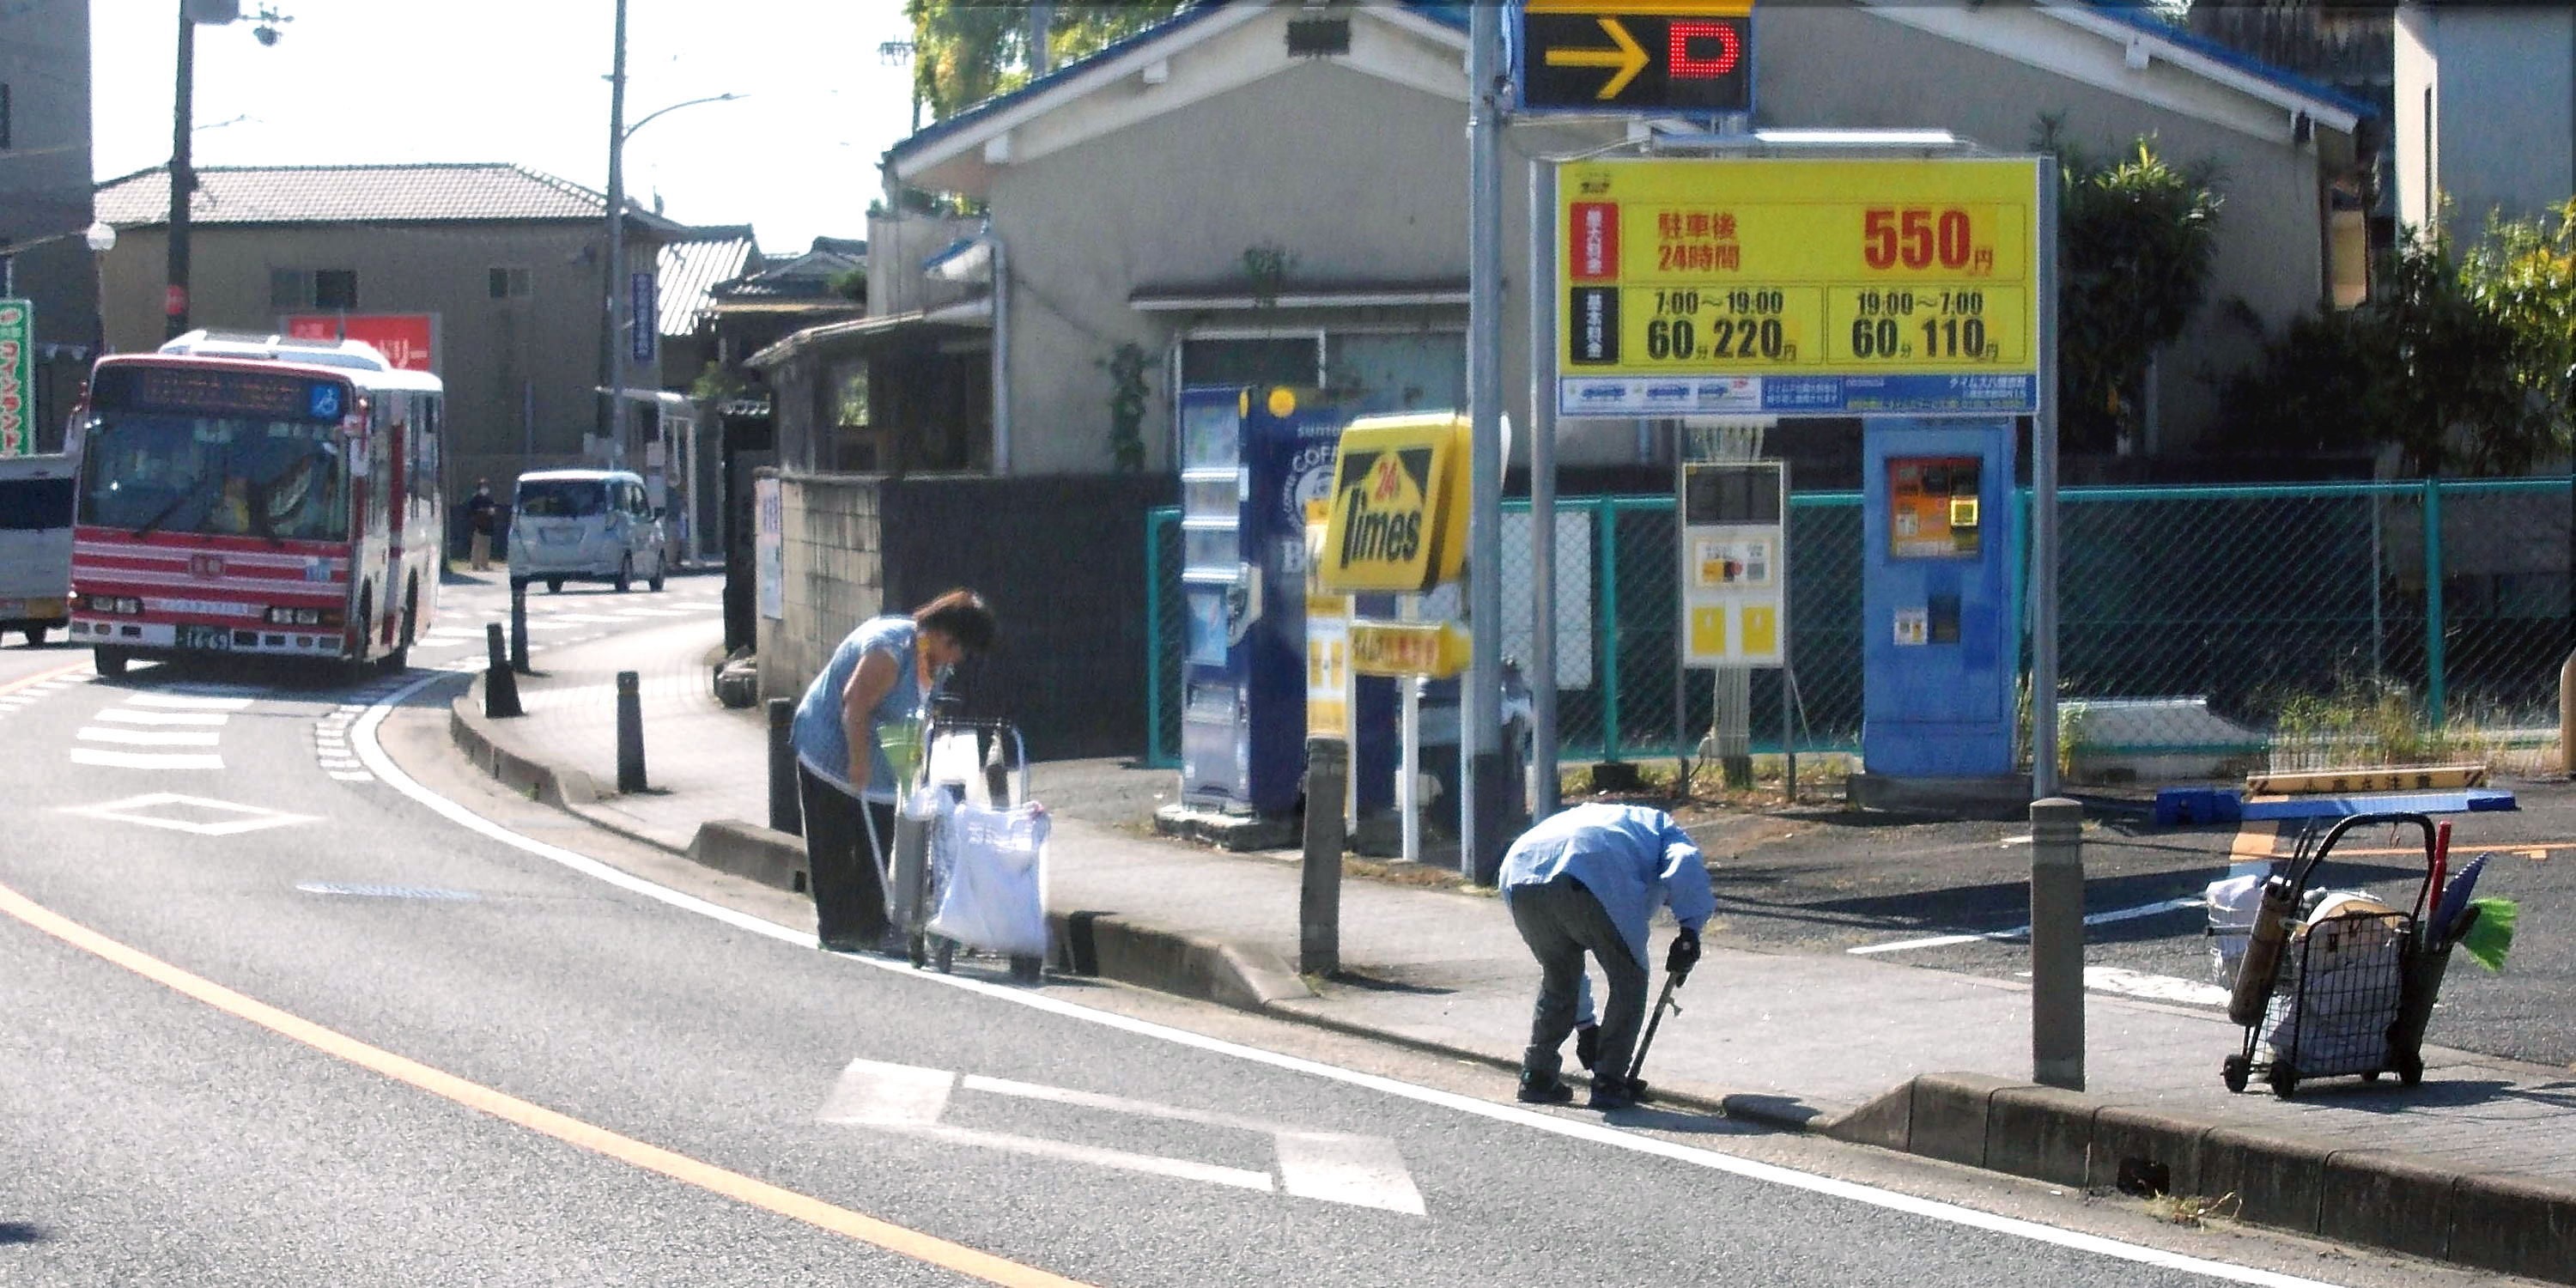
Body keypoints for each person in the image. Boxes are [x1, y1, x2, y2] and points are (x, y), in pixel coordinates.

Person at [789, 589, 998, 952]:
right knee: (835, 844)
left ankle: (872, 927)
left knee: (878, 844)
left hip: (882, 761)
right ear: (945, 636)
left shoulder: (936, 663)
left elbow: (918, 714)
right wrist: (858, 763)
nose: (960, 660)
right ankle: (837, 929)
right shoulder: (890, 649)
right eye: (960, 649)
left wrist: (913, 766)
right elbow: (854, 705)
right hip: (829, 749)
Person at [1500, 802, 1715, 1110]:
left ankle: (1537, 1075)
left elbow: (1570, 978)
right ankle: (1609, 1081)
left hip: (1520, 873)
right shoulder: (1663, 826)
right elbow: (1684, 862)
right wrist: (1691, 928)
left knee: (1559, 974)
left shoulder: (1602, 818)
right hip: (1590, 868)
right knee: (1629, 977)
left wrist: (1587, 1027)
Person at [466, 479, 496, 570]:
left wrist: (491, 512)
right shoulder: (475, 499)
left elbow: (493, 510)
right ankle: (475, 565)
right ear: (479, 488)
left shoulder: (489, 499)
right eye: (483, 487)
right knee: (477, 546)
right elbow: (471, 511)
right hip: (478, 526)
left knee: (486, 546)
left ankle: (485, 564)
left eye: (486, 487)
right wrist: (482, 512)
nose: (485, 489)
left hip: (488, 526)